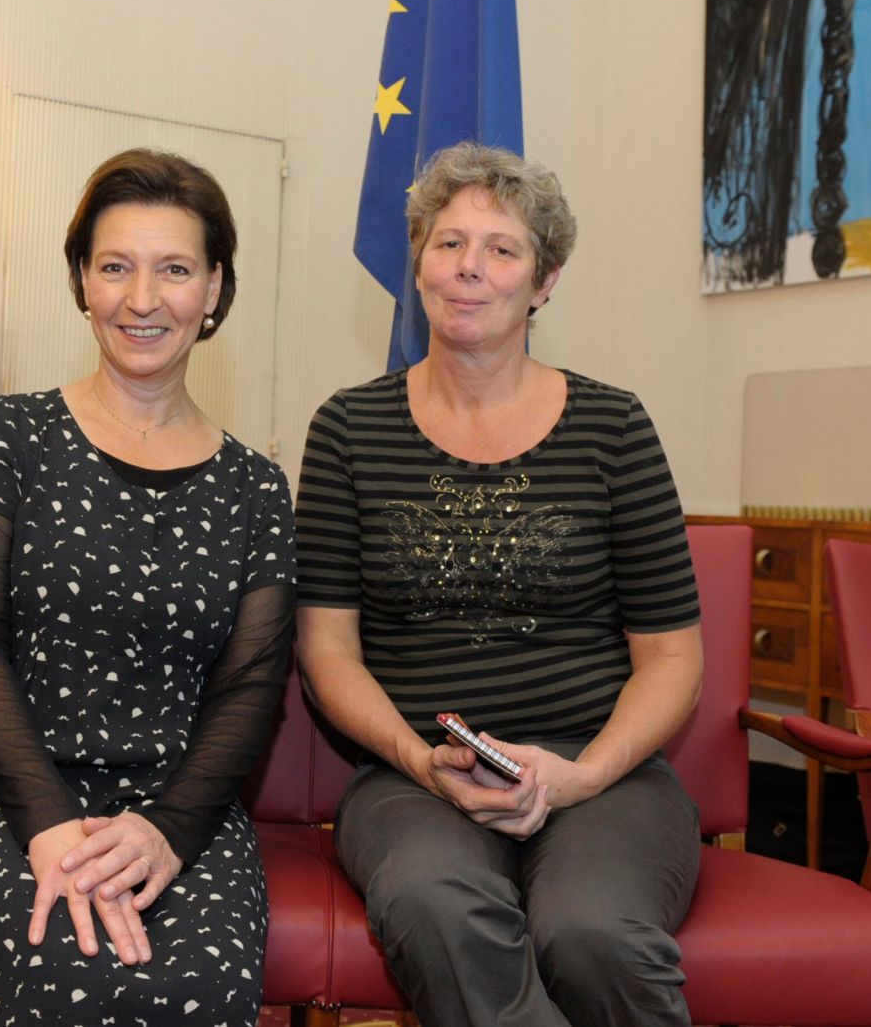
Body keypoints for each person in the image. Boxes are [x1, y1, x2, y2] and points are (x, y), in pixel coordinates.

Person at [294, 143, 704, 1026]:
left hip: (605, 771)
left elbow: (671, 656)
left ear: (545, 280)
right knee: (435, 909)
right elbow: (327, 648)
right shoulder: (347, 429)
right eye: (447, 244)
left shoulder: (615, 427)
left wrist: (582, 775)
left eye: (501, 249)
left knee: (593, 931)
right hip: (413, 775)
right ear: (417, 263)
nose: (468, 270)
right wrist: (420, 761)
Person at [0, 148, 295, 1027]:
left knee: (198, 986)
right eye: (115, 267)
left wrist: (167, 830)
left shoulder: (258, 488)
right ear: (82, 280)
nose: (142, 299)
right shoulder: (7, 436)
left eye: (175, 270)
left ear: (216, 289)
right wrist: (46, 822)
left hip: (171, 797)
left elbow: (252, 686)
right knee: (54, 977)